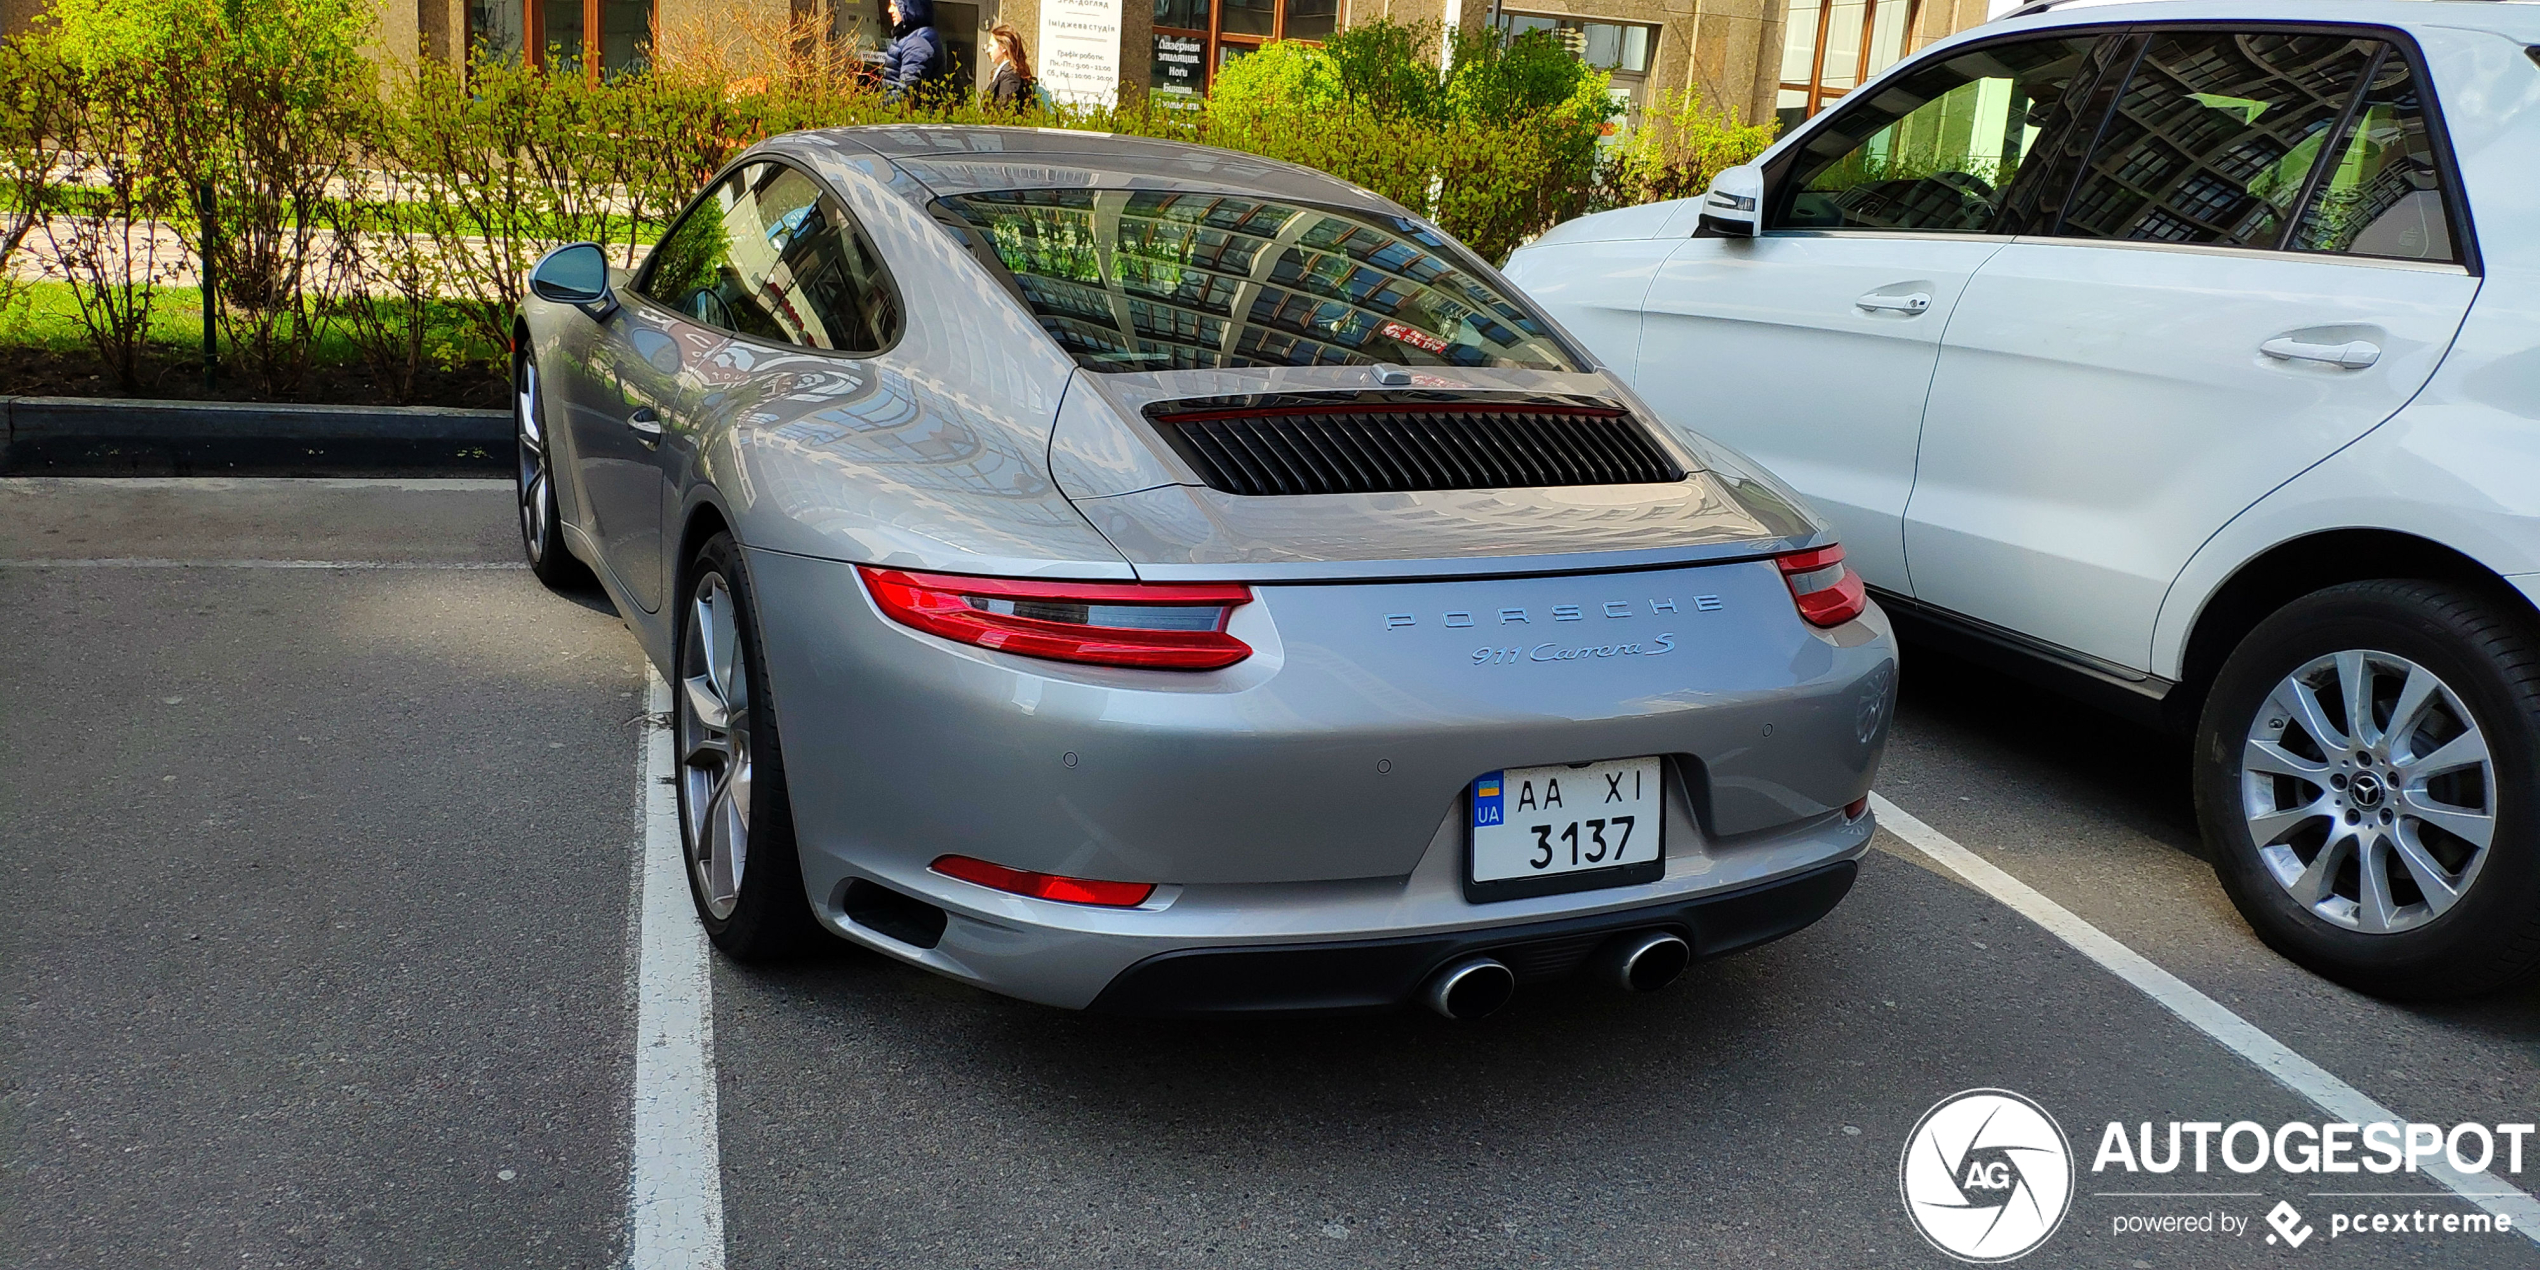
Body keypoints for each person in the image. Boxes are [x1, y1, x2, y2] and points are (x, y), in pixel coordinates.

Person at [882, 0, 949, 105]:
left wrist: (877, 109)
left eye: (895, 5)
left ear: (910, 8)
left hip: (910, 119)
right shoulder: (908, 38)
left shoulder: (917, 44)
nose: (890, 10)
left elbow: (906, 95)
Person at [985, 23, 1036, 112]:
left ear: (1003, 47)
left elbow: (1005, 112)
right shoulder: (1005, 72)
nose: (988, 50)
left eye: (991, 46)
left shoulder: (1010, 75)